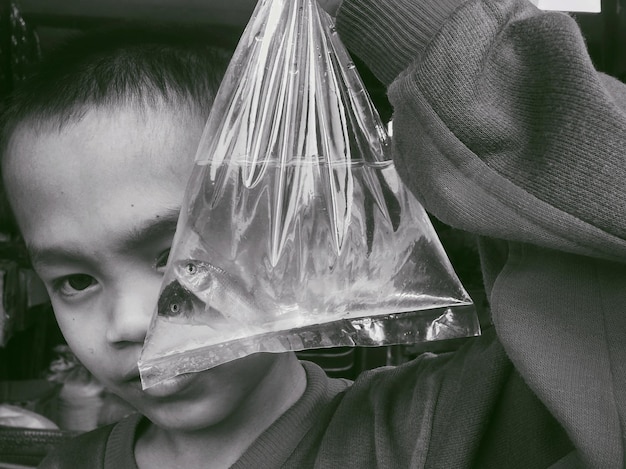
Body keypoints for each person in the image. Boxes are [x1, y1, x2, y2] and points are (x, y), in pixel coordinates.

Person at [0, 0, 623, 468]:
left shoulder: (436, 432)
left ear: (289, 238)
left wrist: (420, 30)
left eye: (176, 255)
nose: (130, 322)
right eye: (75, 280)